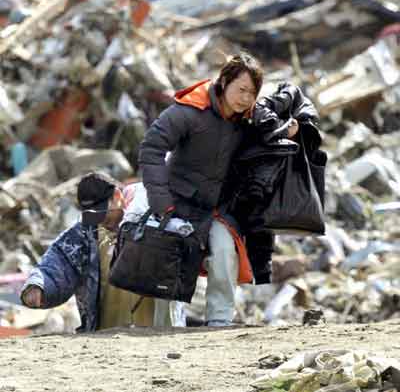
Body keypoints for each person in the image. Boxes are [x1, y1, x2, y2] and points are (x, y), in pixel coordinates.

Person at [139, 52, 299, 327]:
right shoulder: (189, 111)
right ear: (224, 82)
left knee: (225, 251)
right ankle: (164, 327)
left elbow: (268, 136)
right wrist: (161, 201)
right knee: (170, 258)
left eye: (252, 92)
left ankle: (220, 322)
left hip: (216, 209)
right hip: (176, 203)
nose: (246, 98)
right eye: (241, 89)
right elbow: (151, 148)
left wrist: (286, 132)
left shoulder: (248, 120)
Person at [20, 171, 178, 332]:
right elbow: (59, 262)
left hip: (158, 334)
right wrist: (39, 286)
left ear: (117, 196)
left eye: (104, 214)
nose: (101, 222)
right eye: (93, 216)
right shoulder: (85, 233)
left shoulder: (156, 216)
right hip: (105, 338)